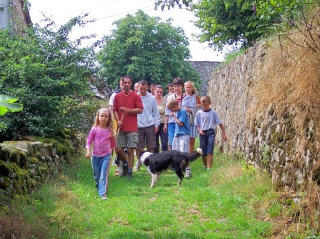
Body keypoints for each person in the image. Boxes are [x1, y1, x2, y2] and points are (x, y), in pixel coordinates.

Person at [113, 76, 143, 178]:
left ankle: (130, 171)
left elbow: (140, 110)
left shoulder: (135, 96)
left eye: (128, 82)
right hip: (121, 127)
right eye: (124, 82)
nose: (126, 84)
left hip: (132, 127)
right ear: (121, 83)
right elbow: (115, 110)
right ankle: (126, 162)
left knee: (131, 150)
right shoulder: (117, 96)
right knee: (117, 149)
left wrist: (127, 110)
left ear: (130, 84)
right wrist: (117, 120)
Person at [86, 108, 114, 200]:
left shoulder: (109, 130)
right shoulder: (94, 129)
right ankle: (98, 185)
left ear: (109, 118)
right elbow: (89, 141)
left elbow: (112, 143)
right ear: (98, 117)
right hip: (95, 156)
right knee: (96, 175)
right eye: (102, 116)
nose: (104, 118)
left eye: (106, 116)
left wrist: (112, 152)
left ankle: (102, 193)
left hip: (106, 156)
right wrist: (88, 151)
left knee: (103, 175)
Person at [194, 96, 227, 170]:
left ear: (209, 104)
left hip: (210, 132)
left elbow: (220, 124)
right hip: (202, 133)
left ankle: (209, 167)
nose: (204, 106)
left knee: (210, 148)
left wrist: (223, 134)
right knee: (203, 150)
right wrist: (199, 130)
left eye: (206, 105)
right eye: (203, 105)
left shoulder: (213, 113)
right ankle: (205, 165)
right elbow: (196, 124)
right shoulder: (199, 113)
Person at [134, 80, 160, 171]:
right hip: (138, 126)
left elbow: (156, 113)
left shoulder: (152, 98)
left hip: (150, 125)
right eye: (141, 89)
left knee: (151, 146)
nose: (142, 91)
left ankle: (150, 165)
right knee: (138, 147)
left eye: (144, 89)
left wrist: (156, 125)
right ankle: (139, 162)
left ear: (148, 88)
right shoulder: (135, 97)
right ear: (138, 88)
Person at [165, 77, 185, 151]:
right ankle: (171, 159)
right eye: (175, 86)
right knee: (171, 142)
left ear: (182, 87)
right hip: (172, 122)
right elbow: (167, 111)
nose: (176, 88)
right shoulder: (170, 97)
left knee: (181, 143)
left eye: (178, 86)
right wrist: (165, 124)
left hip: (182, 122)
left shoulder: (186, 97)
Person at [182, 81, 201, 154]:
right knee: (184, 138)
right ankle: (184, 154)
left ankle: (190, 155)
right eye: (187, 87)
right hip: (184, 119)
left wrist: (191, 110)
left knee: (192, 139)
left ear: (192, 88)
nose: (188, 89)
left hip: (193, 119)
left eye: (190, 87)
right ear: (184, 88)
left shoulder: (195, 97)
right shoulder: (182, 96)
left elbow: (199, 106)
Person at [154, 85, 168, 153]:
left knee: (164, 141)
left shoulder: (165, 100)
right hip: (154, 123)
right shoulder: (151, 100)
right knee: (155, 143)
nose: (159, 93)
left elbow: (166, 113)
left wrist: (165, 124)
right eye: (158, 92)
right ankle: (156, 157)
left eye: (161, 92)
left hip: (163, 122)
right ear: (154, 91)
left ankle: (165, 157)